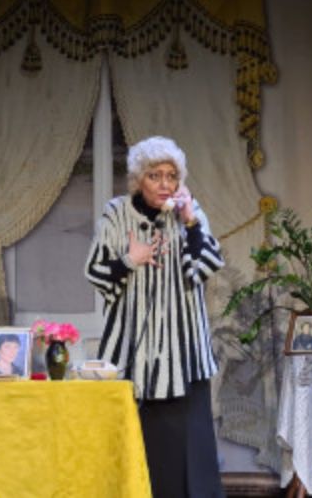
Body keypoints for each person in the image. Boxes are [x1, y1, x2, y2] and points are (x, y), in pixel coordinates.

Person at [85, 136, 225, 497]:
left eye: (171, 176)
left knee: (189, 452)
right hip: (133, 349)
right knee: (137, 447)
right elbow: (96, 271)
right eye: (155, 175)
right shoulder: (116, 213)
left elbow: (206, 266)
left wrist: (190, 223)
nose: (165, 184)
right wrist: (130, 260)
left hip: (183, 351)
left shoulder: (190, 211)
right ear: (138, 179)